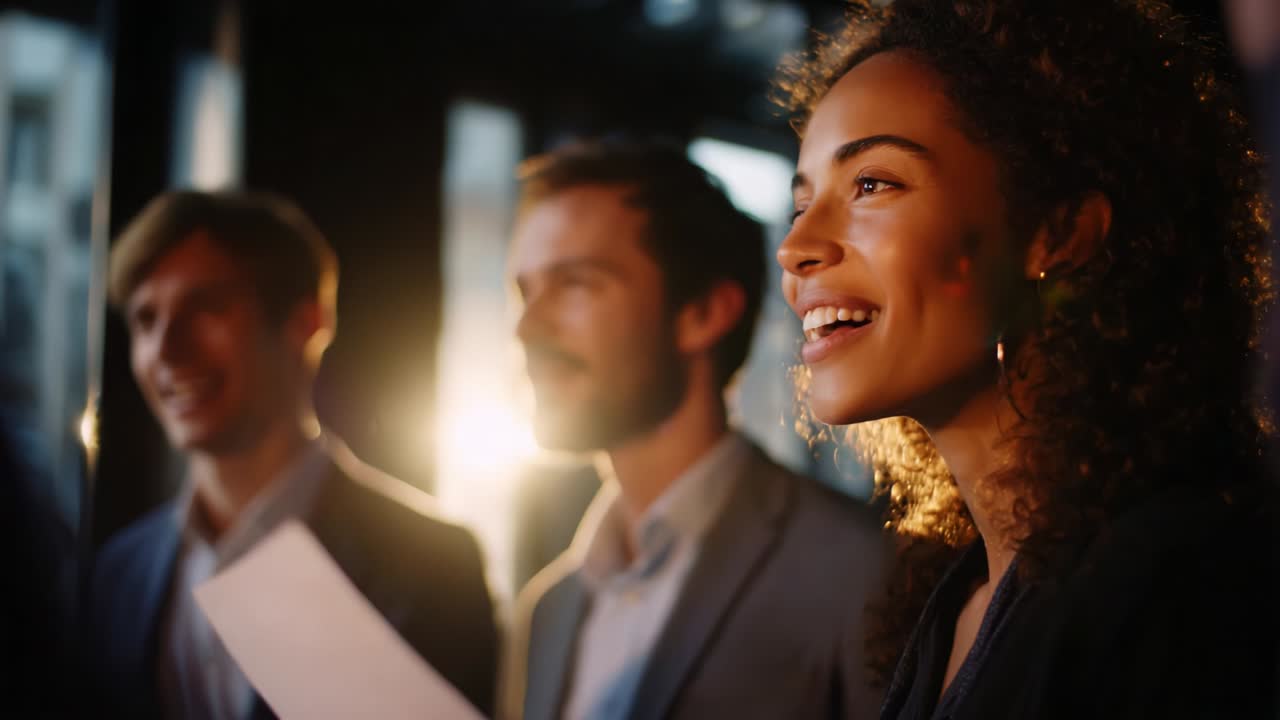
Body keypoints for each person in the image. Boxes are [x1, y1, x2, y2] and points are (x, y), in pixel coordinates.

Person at [777, 1, 1278, 717]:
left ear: (1057, 232)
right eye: (801, 205)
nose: (795, 248)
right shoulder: (959, 600)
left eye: (873, 184)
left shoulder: (1188, 589)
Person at [501, 139, 891, 720]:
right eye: (525, 293)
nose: (527, 329)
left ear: (704, 313)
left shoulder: (860, 569)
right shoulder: (547, 611)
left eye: (575, 283)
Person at [85, 191, 498, 719]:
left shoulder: (432, 562)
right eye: (145, 320)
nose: (166, 349)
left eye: (205, 308)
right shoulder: (119, 572)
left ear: (306, 323)